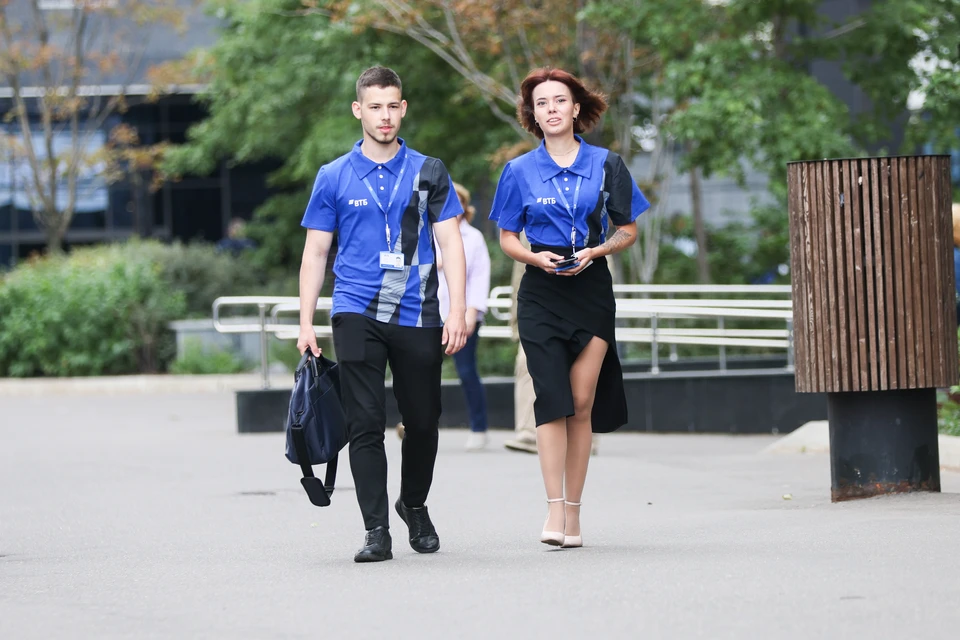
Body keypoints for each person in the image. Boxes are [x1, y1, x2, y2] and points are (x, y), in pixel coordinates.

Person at [297, 66, 468, 563]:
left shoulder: (430, 170)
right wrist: (306, 322)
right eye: (375, 107)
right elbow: (315, 253)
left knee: (423, 421)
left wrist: (458, 308)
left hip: (418, 310)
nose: (385, 116)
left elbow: (451, 243)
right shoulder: (333, 175)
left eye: (393, 105)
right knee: (365, 423)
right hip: (355, 309)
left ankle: (413, 503)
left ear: (403, 108)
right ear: (359, 110)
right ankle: (376, 530)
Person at [489, 67, 650, 549]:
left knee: (581, 404)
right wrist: (533, 257)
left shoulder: (607, 164)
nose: (552, 109)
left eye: (560, 100)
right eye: (542, 103)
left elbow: (628, 229)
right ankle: (553, 508)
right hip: (540, 290)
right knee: (550, 398)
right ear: (533, 115)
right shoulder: (518, 171)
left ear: (576, 109)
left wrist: (596, 251)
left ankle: (575, 514)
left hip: (591, 288)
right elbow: (507, 237)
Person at [436, 182, 492, 450]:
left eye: (458, 201)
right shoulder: (428, 232)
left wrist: (472, 313)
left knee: (467, 372)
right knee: (420, 372)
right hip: (430, 313)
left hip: (463, 315)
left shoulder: (474, 238)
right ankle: (417, 425)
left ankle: (479, 428)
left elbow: (480, 277)